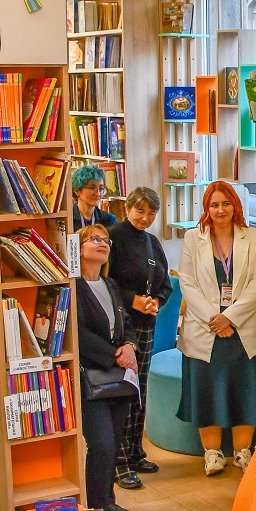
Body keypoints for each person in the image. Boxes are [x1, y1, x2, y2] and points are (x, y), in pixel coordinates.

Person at [177, 181, 256, 476]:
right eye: (214, 204)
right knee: (207, 390)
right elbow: (187, 282)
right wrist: (214, 319)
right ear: (206, 208)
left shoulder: (252, 236)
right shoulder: (193, 238)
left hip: (242, 327)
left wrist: (229, 317)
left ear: (236, 206)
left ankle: (243, 452)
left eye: (226, 204)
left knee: (246, 390)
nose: (220, 210)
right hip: (205, 327)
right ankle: (212, 454)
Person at [107, 187, 173, 490]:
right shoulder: (113, 237)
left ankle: (135, 452)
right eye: (140, 211)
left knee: (139, 388)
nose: (145, 218)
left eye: (151, 213)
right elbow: (104, 282)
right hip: (120, 326)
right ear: (127, 209)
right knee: (122, 388)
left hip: (146, 323)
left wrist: (156, 301)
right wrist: (132, 300)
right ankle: (118, 462)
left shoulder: (152, 242)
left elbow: (165, 283)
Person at [75, 224, 137, 511]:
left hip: (118, 377)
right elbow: (78, 333)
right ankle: (95, 505)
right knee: (100, 443)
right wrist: (115, 355)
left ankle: (107, 501)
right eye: (95, 239)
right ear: (79, 248)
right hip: (93, 375)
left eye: (106, 241)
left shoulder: (110, 284)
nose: (103, 244)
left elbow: (126, 323)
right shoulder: (74, 287)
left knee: (113, 442)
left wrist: (130, 346)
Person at [71, 164, 117, 231]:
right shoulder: (68, 218)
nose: (98, 194)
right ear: (77, 190)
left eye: (101, 189)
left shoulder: (109, 220)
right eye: (92, 188)